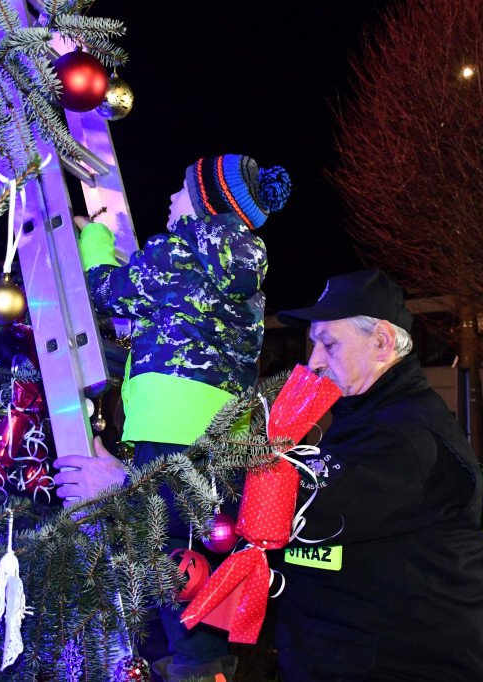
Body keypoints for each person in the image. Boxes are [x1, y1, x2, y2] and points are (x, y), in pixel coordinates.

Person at [55, 154, 291, 682]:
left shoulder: (184, 248)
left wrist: (94, 240)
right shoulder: (237, 266)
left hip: (167, 430)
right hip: (219, 440)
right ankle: (201, 667)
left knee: (163, 568)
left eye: (180, 190)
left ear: (206, 204)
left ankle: (186, 671)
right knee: (191, 570)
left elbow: (110, 290)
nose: (169, 199)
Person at [271, 269, 483, 681]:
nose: (312, 362)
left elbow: (290, 508)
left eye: (328, 343)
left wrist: (140, 485)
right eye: (313, 344)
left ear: (381, 342)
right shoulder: (372, 420)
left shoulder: (404, 438)